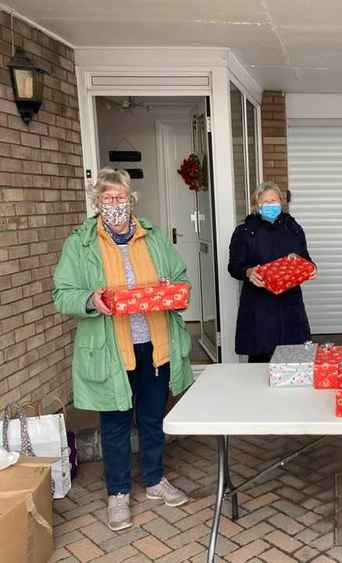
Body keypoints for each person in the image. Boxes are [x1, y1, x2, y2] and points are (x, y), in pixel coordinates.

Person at [53, 168, 192, 531]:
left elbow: (179, 277)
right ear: (96, 202)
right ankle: (117, 492)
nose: (115, 204)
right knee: (114, 423)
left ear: (131, 199)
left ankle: (155, 479)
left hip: (153, 343)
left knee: (151, 418)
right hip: (111, 348)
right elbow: (62, 293)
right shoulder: (80, 243)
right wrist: (89, 298)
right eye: (107, 198)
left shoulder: (153, 237)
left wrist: (171, 290)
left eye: (120, 197)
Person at [228, 182, 316, 362]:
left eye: (274, 200)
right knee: (260, 363)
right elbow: (234, 266)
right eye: (265, 201)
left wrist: (310, 267)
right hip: (259, 306)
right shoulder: (244, 231)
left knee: (293, 360)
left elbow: (305, 258)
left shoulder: (293, 228)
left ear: (281, 203)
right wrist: (248, 271)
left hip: (290, 304)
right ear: (256, 205)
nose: (271, 205)